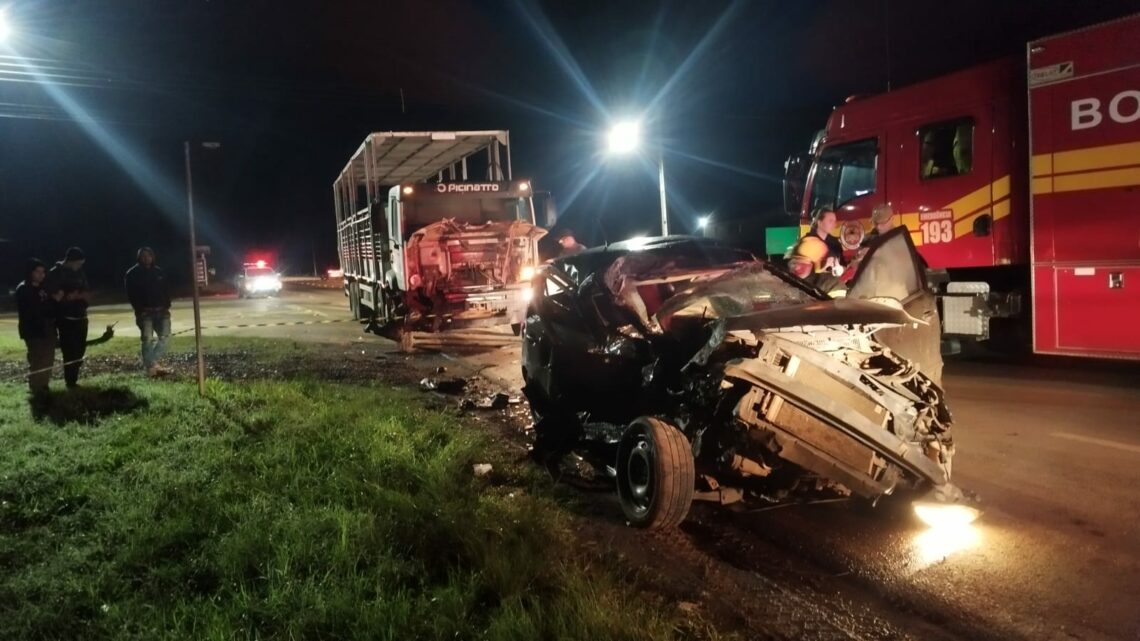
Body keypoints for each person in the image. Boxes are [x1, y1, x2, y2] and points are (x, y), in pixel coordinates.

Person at [44, 246, 91, 389]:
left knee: (80, 350)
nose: (79, 266)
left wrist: (80, 295)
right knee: (70, 351)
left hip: (81, 316)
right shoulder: (55, 273)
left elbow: (87, 291)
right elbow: (54, 296)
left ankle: (74, 379)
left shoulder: (79, 272)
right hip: (65, 318)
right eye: (78, 263)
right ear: (70, 261)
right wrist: (69, 297)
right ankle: (70, 382)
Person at [125, 246, 172, 377]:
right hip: (145, 313)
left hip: (162, 312)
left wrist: (167, 306)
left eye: (149, 255)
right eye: (143, 255)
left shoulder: (159, 272)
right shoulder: (132, 274)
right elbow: (131, 295)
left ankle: (151, 362)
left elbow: (166, 291)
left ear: (152, 257)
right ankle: (151, 368)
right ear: (139, 258)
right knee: (147, 340)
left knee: (166, 338)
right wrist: (140, 309)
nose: (146, 258)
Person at [15, 258, 60, 396]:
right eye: (38, 272)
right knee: (38, 359)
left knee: (48, 358)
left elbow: (49, 307)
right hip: (34, 330)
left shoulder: (43, 288)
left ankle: (43, 385)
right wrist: (53, 300)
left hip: (48, 328)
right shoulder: (24, 289)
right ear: (30, 272)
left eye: (43, 272)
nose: (41, 275)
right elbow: (34, 309)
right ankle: (36, 388)